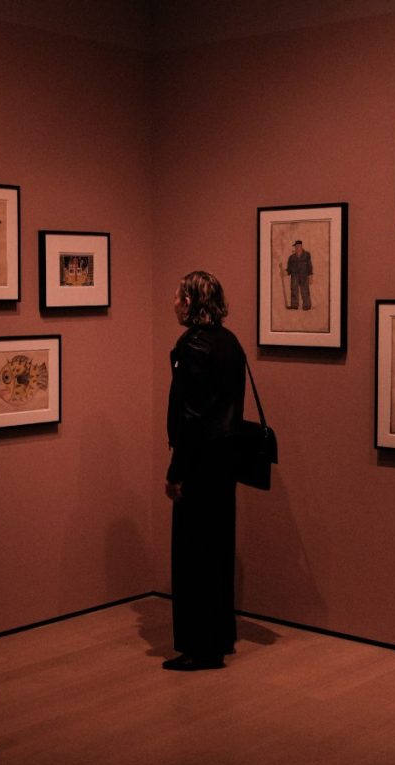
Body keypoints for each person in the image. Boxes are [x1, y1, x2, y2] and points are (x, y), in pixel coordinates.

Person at [164, 270, 246, 671]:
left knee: (193, 555)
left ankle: (200, 647)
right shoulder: (230, 342)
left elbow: (192, 416)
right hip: (224, 462)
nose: (174, 302)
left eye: (179, 296)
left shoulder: (194, 346)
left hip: (199, 463)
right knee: (218, 551)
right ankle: (220, 637)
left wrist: (176, 470)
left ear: (191, 302)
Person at [285, 239, 312, 310]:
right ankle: (294, 305)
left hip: (304, 276)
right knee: (294, 290)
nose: (297, 248)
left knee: (305, 291)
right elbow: (289, 269)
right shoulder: (291, 257)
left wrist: (310, 276)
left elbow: (309, 266)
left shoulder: (307, 255)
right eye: (296, 246)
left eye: (298, 246)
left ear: (301, 246)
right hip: (294, 276)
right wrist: (285, 272)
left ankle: (306, 305)